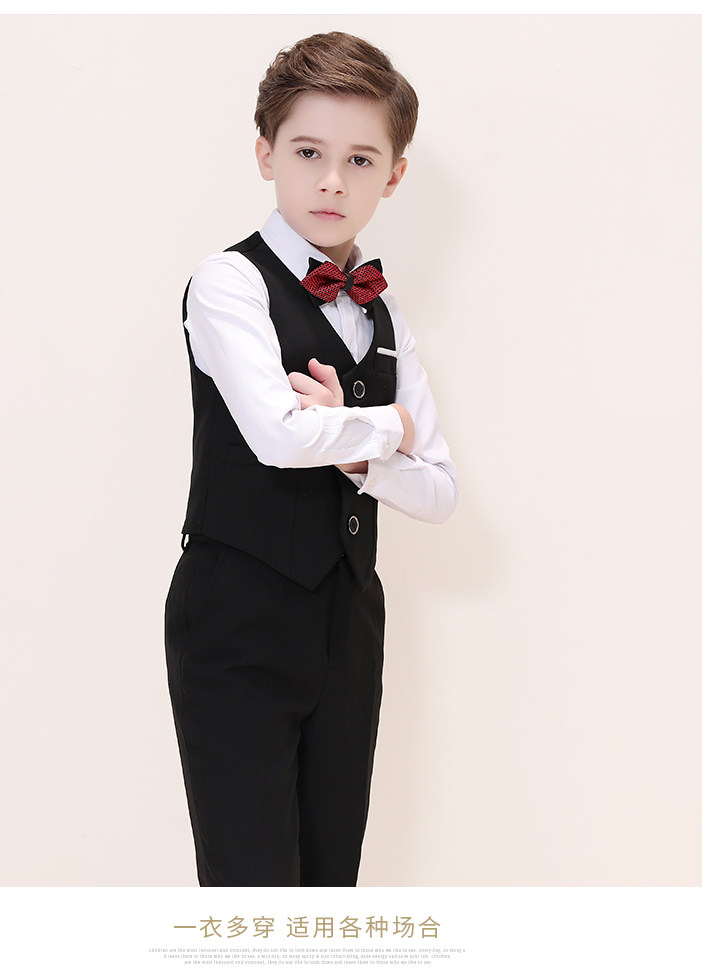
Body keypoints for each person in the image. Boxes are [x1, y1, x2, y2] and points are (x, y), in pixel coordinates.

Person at [164, 31, 459, 887]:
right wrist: (387, 425)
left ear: (393, 175)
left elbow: (439, 492)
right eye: (308, 152)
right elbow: (280, 436)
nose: (333, 180)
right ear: (266, 153)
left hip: (349, 624)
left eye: (361, 159)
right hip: (236, 618)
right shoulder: (229, 283)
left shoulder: (387, 316)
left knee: (331, 887)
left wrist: (358, 445)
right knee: (252, 887)